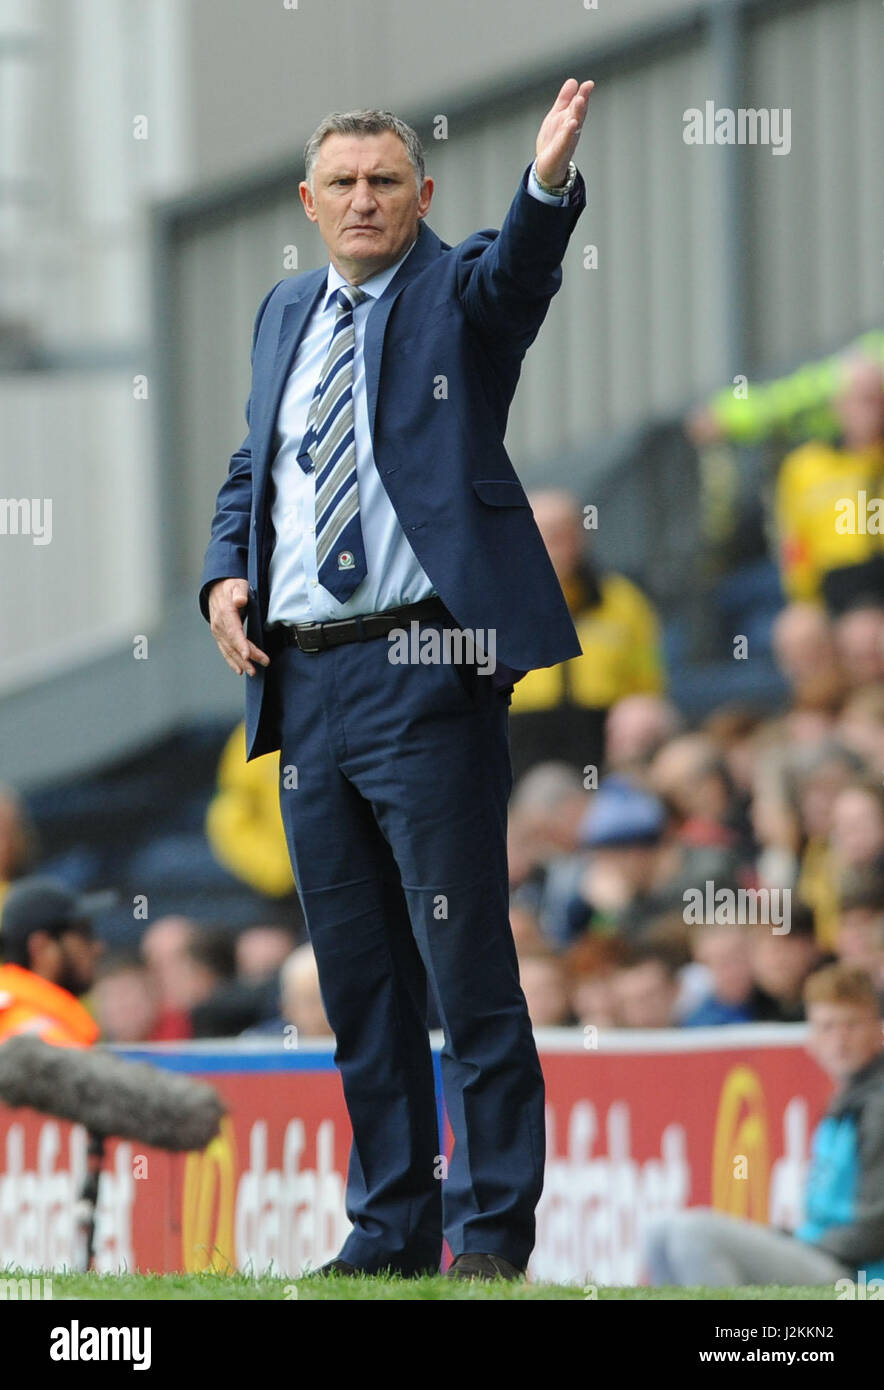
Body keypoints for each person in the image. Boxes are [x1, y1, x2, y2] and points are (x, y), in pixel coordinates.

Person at [199, 85, 593, 1281]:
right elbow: (250, 463)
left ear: (422, 198)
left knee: (465, 967)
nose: (364, 199)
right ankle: (388, 1230)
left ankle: (489, 1235)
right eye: (343, 183)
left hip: (426, 665)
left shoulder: (456, 294)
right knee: (360, 984)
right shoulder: (280, 312)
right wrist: (224, 575)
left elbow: (519, 272)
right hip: (305, 683)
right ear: (307, 203)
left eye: (386, 181)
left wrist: (543, 186)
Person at [644, 963, 884, 1286]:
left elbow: (876, 1228)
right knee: (659, 1234)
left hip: (857, 1274)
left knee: (693, 1233)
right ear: (811, 1038)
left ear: (878, 1031)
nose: (840, 1041)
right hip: (825, 1253)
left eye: (851, 1026)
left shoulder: (877, 1105)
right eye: (827, 1027)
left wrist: (801, 1243)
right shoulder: (847, 1099)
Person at [507, 489, 665, 781]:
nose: (560, 545)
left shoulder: (622, 601)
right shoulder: (499, 600)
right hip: (520, 732)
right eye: (549, 533)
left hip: (601, 731)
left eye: (569, 532)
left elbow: (648, 686)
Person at [0, 877, 102, 1047]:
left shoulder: (15, 1015)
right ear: (42, 947)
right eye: (84, 933)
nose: (98, 947)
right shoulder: (47, 1039)